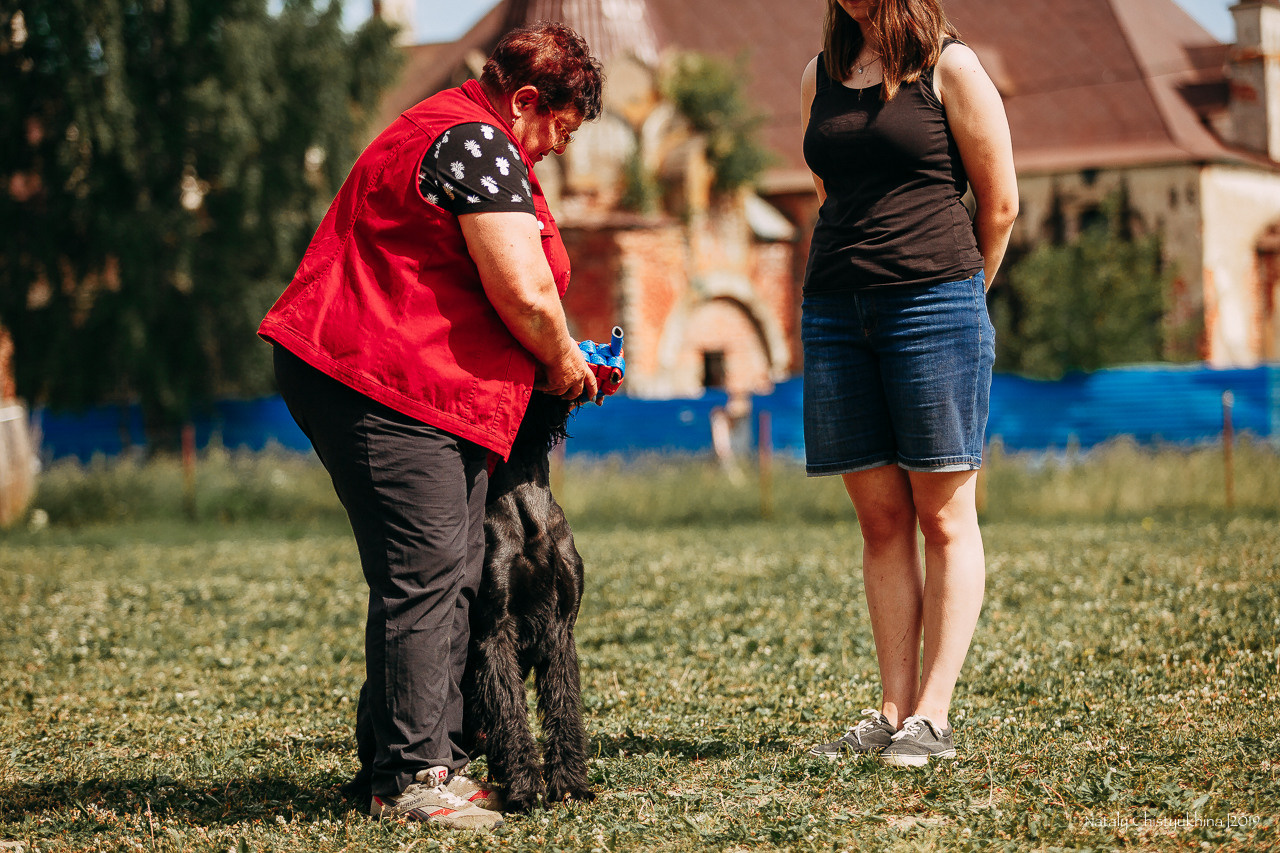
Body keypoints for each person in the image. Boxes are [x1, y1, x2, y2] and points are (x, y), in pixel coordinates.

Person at [257, 23, 605, 828]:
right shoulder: (475, 143)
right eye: (560, 126)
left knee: (440, 567)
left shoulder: (459, 130)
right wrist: (564, 363)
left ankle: (407, 761)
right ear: (526, 101)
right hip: (375, 379)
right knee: (428, 572)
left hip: (409, 383)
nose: (558, 147)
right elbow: (520, 289)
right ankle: (414, 779)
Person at [799, 0, 1018, 767]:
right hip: (833, 309)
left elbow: (1000, 203)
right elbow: (831, 194)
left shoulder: (950, 68)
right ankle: (892, 710)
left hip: (935, 304)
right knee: (880, 518)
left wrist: (962, 299)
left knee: (944, 514)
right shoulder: (819, 74)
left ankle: (934, 714)